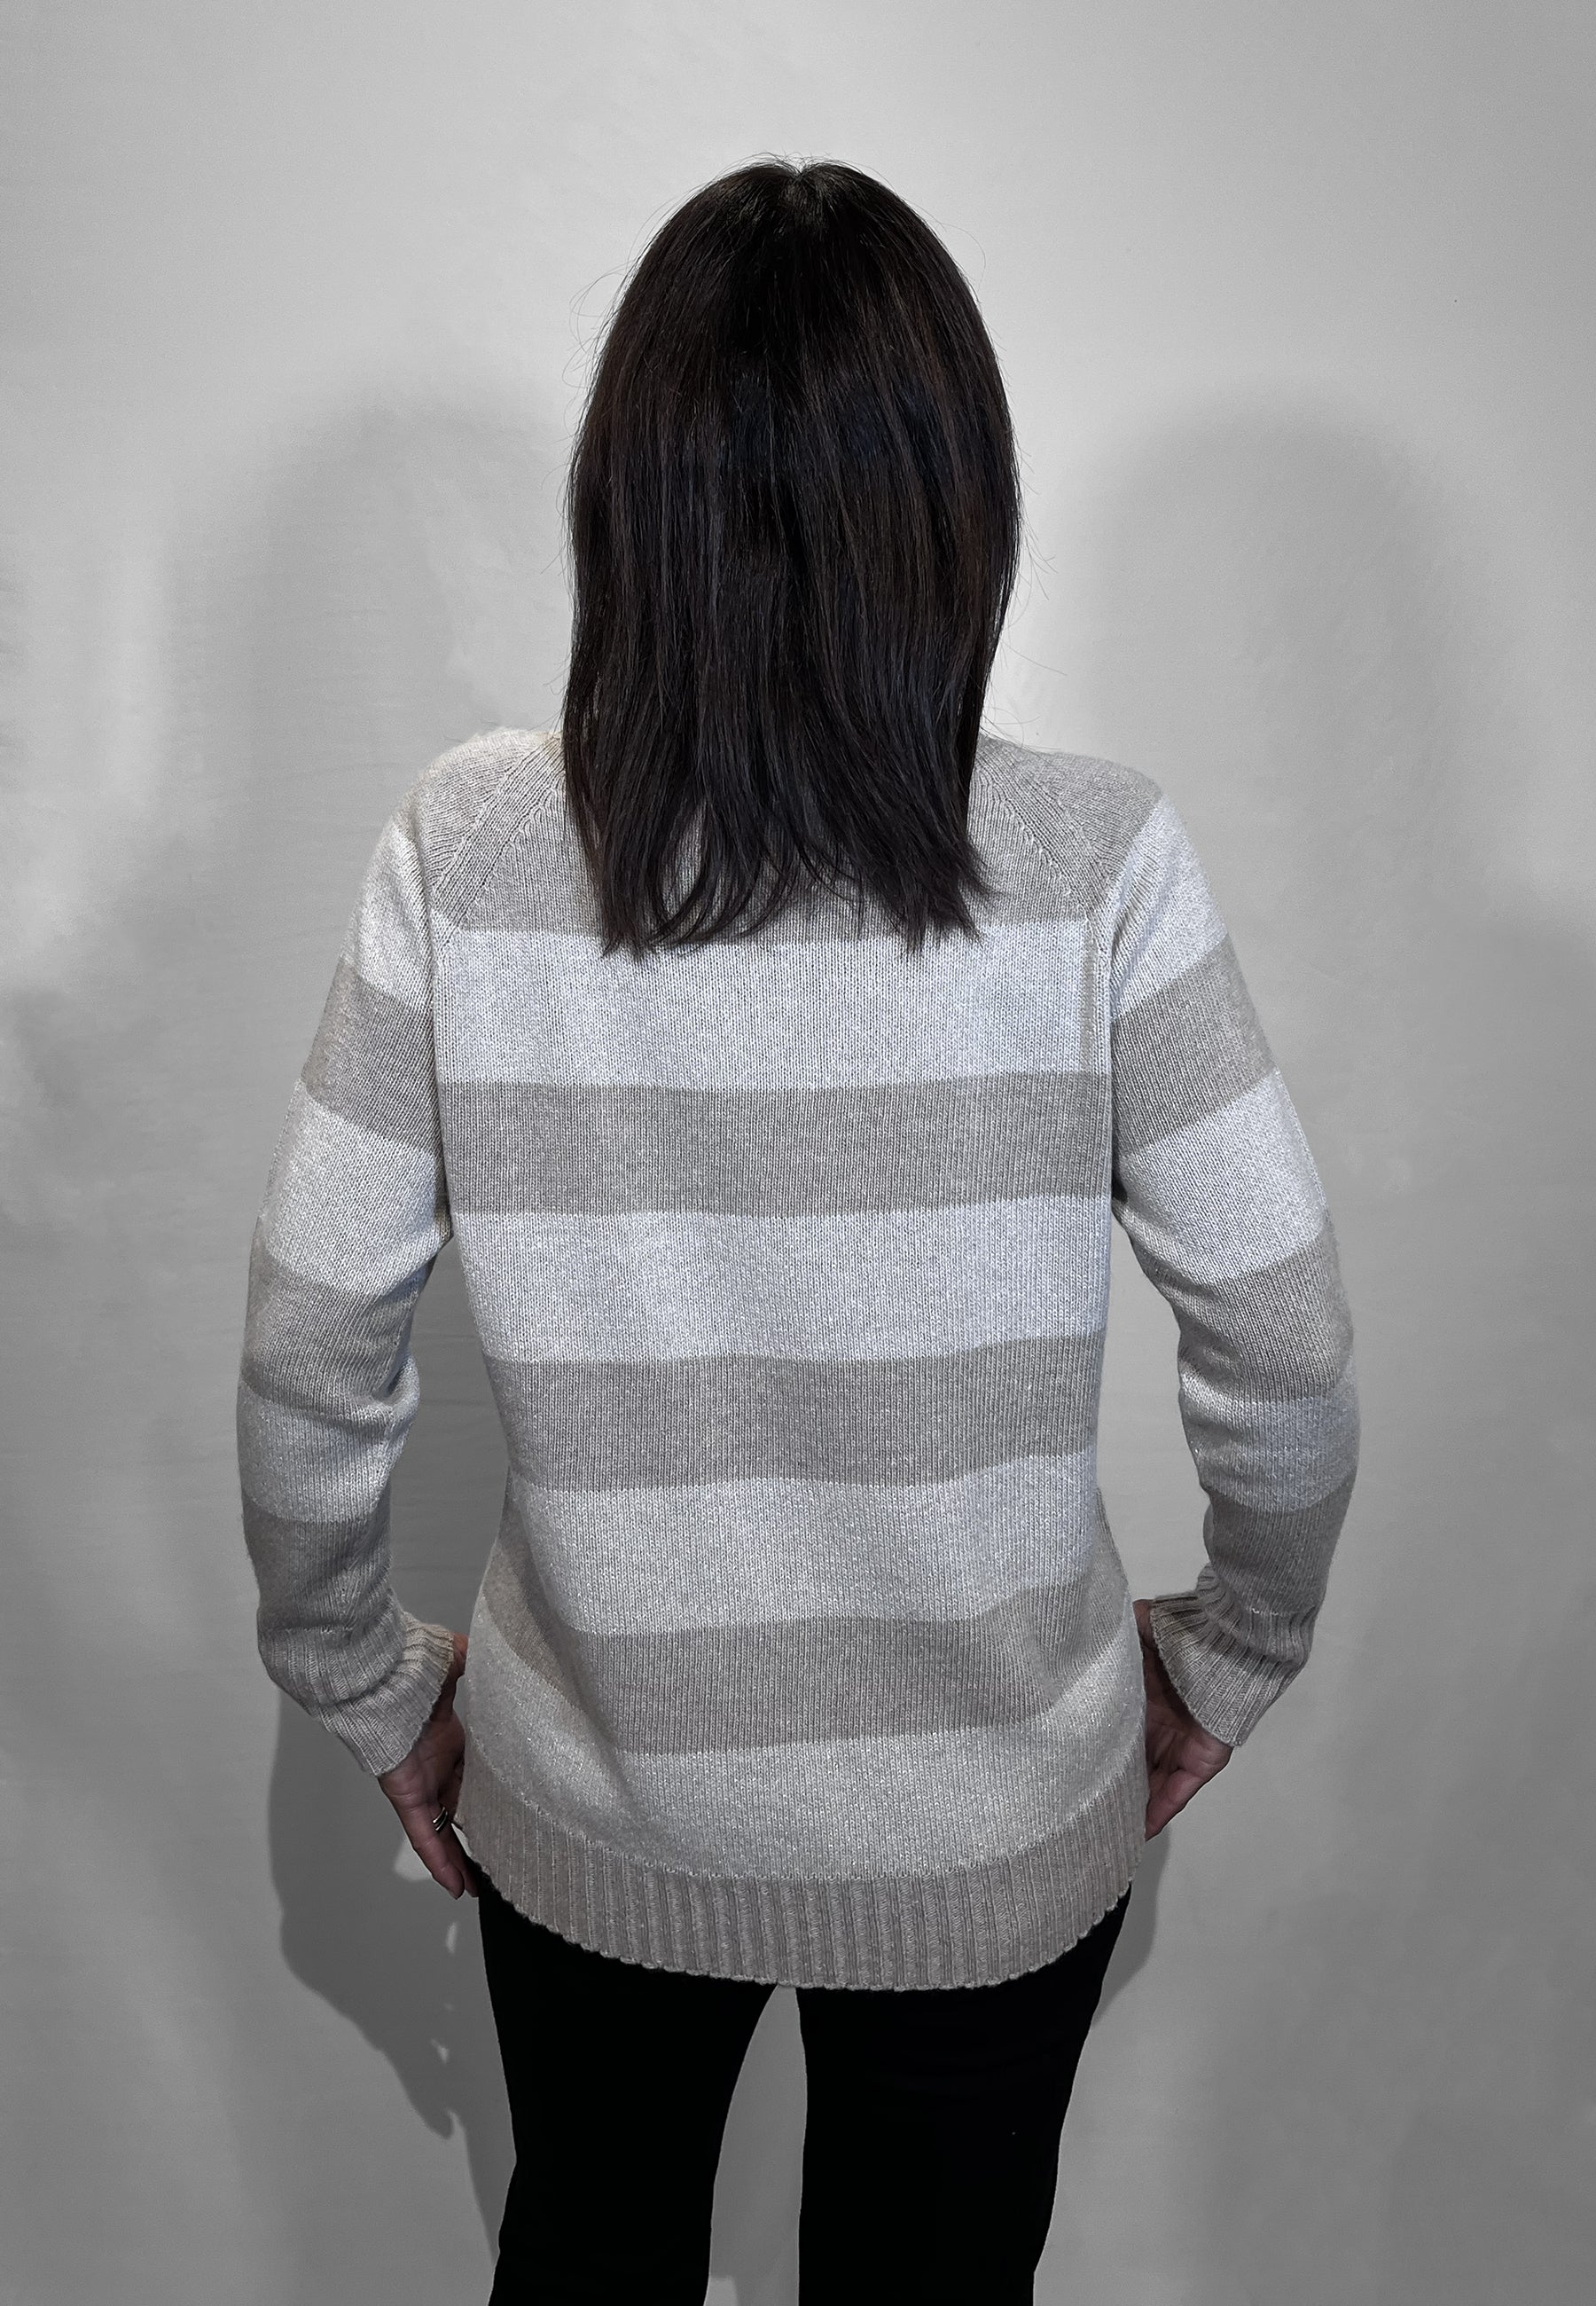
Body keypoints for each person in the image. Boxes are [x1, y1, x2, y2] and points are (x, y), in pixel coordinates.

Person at [236, 157, 1359, 2303]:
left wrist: (360, 1680)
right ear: (958, 503)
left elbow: (309, 1348)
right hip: (996, 1822)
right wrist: (1231, 1654)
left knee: (588, 2255)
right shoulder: (1095, 861)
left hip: (593, 1800)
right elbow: (1287, 1344)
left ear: (627, 498)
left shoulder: (470, 844)